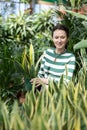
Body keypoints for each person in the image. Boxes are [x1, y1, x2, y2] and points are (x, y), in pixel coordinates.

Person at [30, 24, 76, 89]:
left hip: (59, 92)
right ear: (52, 39)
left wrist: (45, 81)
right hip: (43, 92)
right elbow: (41, 74)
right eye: (56, 37)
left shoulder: (70, 57)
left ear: (67, 39)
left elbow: (66, 82)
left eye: (62, 37)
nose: (59, 41)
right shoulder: (47, 53)